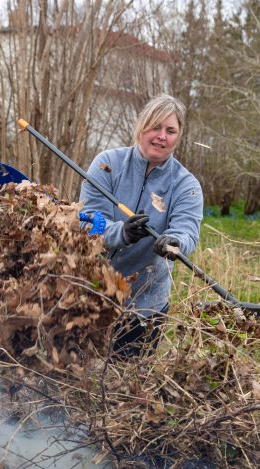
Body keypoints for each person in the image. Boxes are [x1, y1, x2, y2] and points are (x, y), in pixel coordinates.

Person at [79, 94, 203, 356]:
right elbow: (88, 222)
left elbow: (187, 232)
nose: (162, 136)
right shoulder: (107, 164)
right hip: (89, 293)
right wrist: (121, 232)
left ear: (178, 136)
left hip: (145, 305)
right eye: (155, 127)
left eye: (170, 131)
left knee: (127, 378)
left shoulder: (186, 185)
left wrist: (174, 242)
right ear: (141, 127)